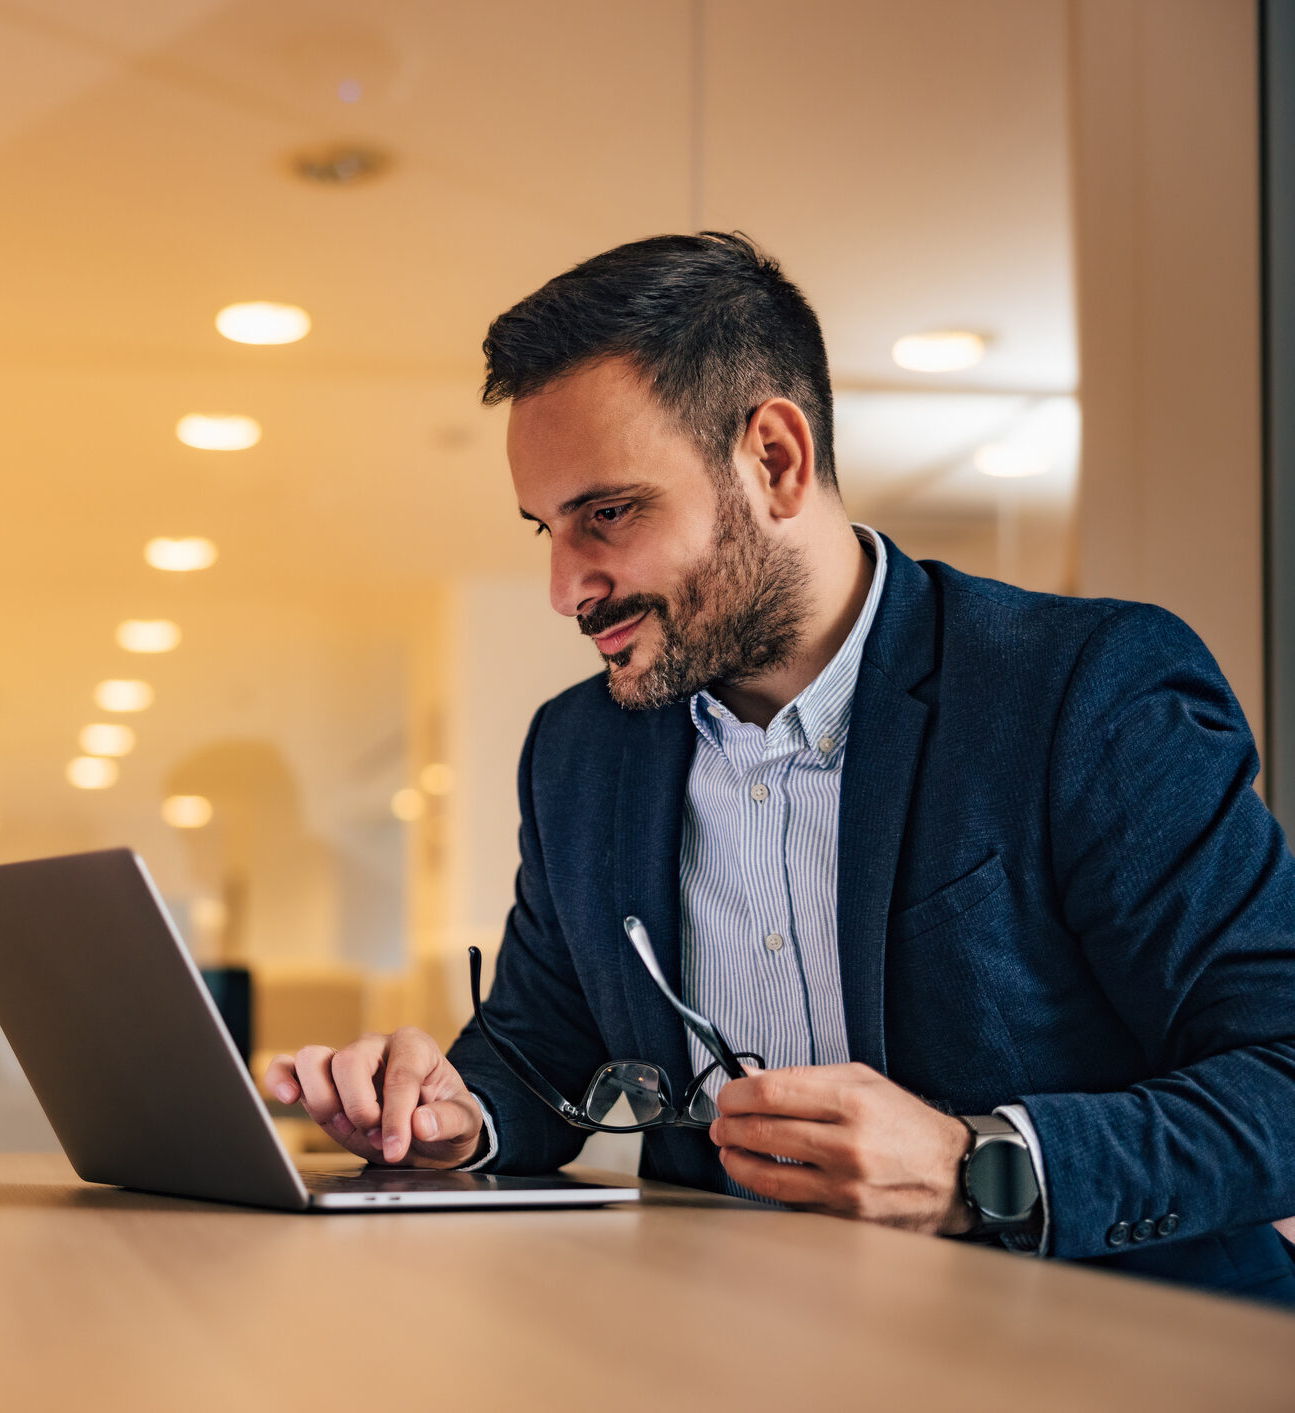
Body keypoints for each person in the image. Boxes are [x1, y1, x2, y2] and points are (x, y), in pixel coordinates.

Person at [264, 233, 1295, 1303]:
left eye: (606, 515)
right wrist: (447, 1116)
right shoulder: (578, 754)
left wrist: (978, 1169)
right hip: (725, 1347)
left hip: (1113, 1352)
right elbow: (535, 1052)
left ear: (773, 460)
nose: (566, 588)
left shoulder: (1084, 691)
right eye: (546, 530)